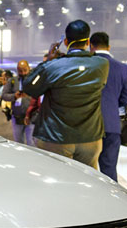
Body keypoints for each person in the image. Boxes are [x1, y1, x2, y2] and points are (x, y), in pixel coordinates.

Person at [22, 20, 109, 168]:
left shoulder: (53, 66)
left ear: (66, 42)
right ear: (88, 42)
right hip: (90, 137)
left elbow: (29, 87)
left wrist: (48, 60)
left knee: (57, 179)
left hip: (56, 137)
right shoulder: (102, 64)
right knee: (88, 179)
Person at [90, 32, 127, 181]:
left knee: (85, 169)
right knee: (109, 169)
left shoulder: (87, 63)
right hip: (111, 123)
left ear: (91, 46)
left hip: (87, 124)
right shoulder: (122, 68)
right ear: (108, 47)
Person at [0, 60, 35, 145]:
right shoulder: (12, 81)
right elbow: (4, 95)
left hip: (32, 116)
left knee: (31, 143)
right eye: (20, 71)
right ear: (17, 69)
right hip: (17, 116)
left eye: (25, 70)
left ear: (29, 68)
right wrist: (14, 96)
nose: (23, 73)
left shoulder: (34, 80)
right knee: (18, 143)